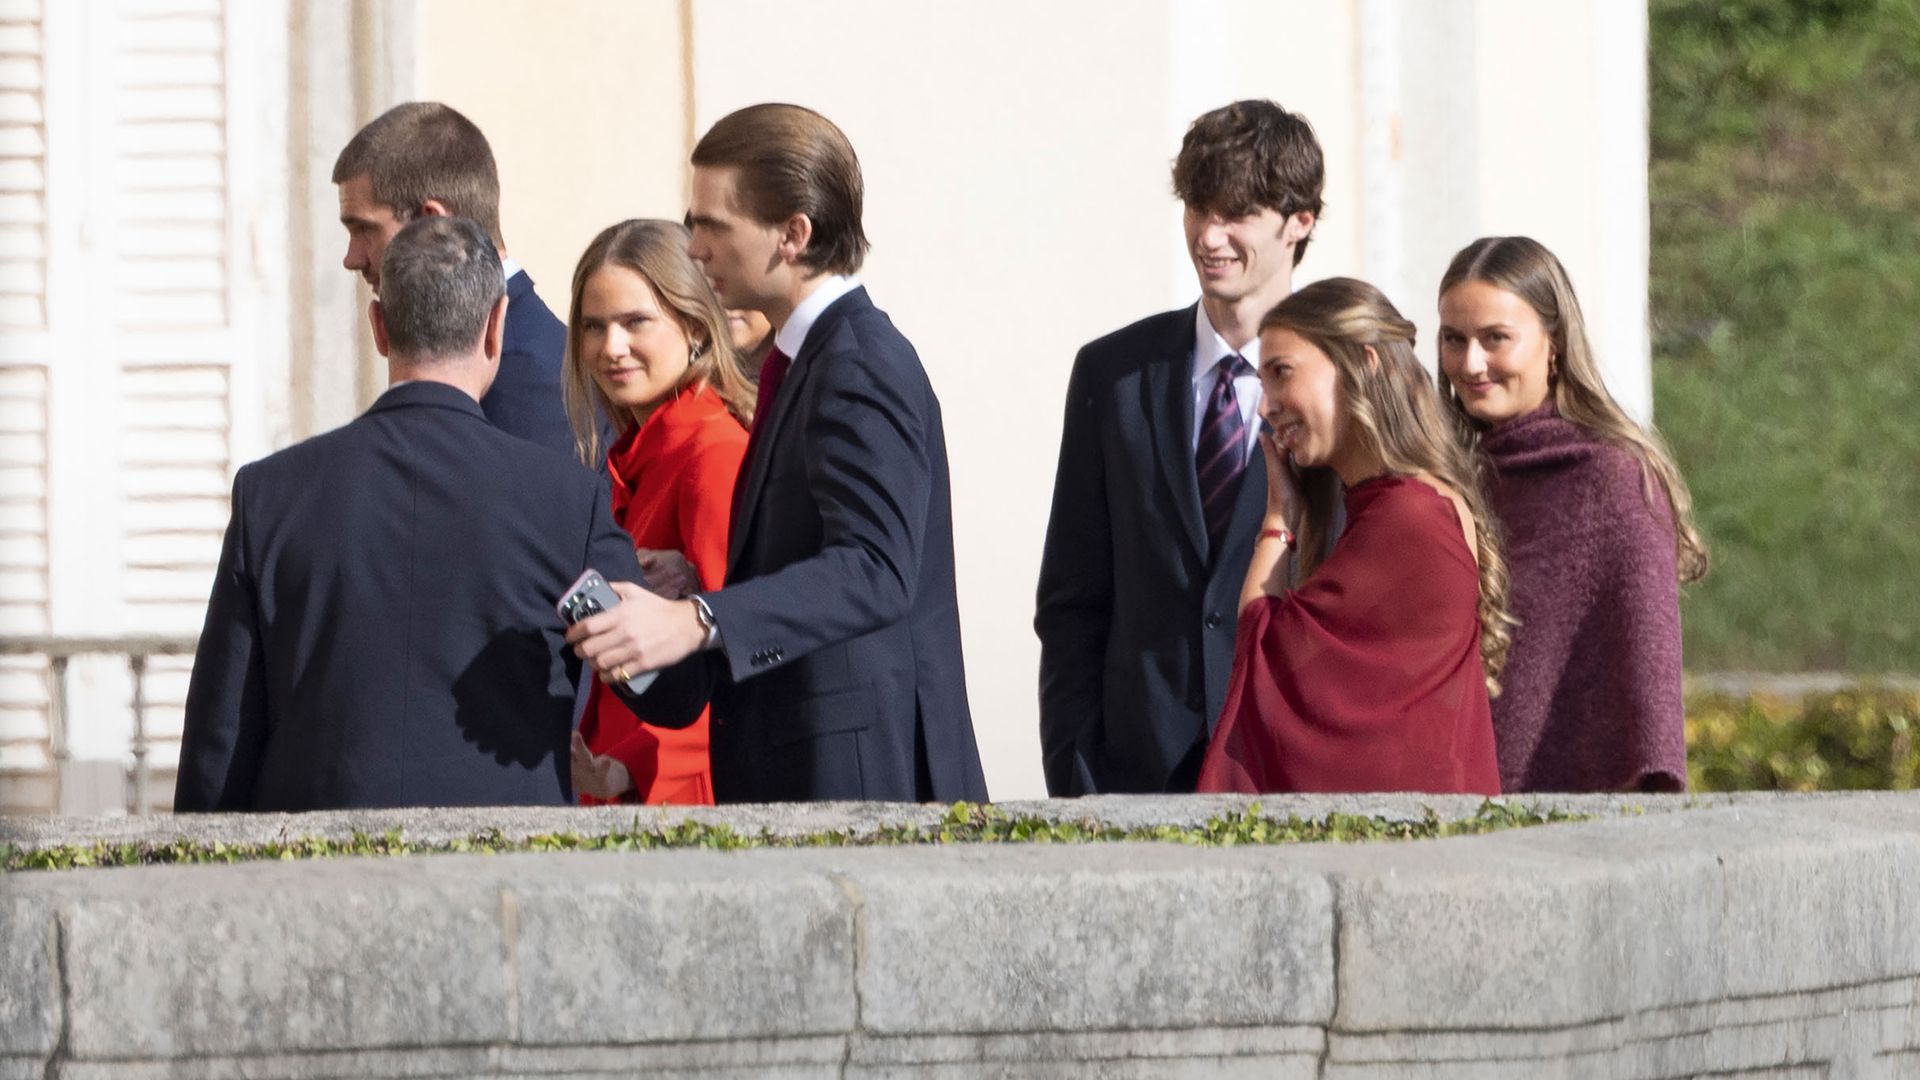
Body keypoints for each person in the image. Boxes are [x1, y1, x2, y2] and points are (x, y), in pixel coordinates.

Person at [566, 103, 988, 803]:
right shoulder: (802, 363)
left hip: (863, 790)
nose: (694, 248)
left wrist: (698, 618)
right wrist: (694, 585)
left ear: (793, 234)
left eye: (712, 226)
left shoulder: (858, 361)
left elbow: (876, 569)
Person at [175, 217, 647, 811]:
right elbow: (656, 684)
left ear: (379, 326)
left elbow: (221, 737)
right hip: (506, 868)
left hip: (312, 870)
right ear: (496, 325)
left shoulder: (270, 493)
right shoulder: (568, 498)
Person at [1035, 100, 1325, 795]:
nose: (1210, 235)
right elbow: (1073, 599)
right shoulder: (1113, 374)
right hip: (1133, 785)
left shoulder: (1348, 381)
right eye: (1199, 207)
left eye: (1237, 214)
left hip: (1290, 778)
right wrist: (1077, 779)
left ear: (1300, 222)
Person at [1196, 278, 1506, 795]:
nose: (1266, 408)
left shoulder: (1410, 516)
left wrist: (1278, 516)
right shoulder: (1396, 505)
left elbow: (1265, 652)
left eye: (1282, 374)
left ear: (1364, 363)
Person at [1437, 236, 1706, 793]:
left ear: (1553, 343)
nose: (1471, 363)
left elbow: (1646, 688)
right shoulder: (1447, 478)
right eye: (1454, 339)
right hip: (1451, 815)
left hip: (1572, 830)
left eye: (1496, 339)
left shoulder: (1614, 481)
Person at [560, 220, 754, 807]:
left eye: (635, 322)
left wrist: (632, 768)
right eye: (593, 326)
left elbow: (739, 657)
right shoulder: (641, 456)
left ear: (694, 325)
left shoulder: (711, 454)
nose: (610, 347)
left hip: (683, 812)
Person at [333, 101, 580, 457]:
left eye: (365, 230)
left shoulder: (526, 374)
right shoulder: (520, 350)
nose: (351, 259)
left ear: (431, 222)